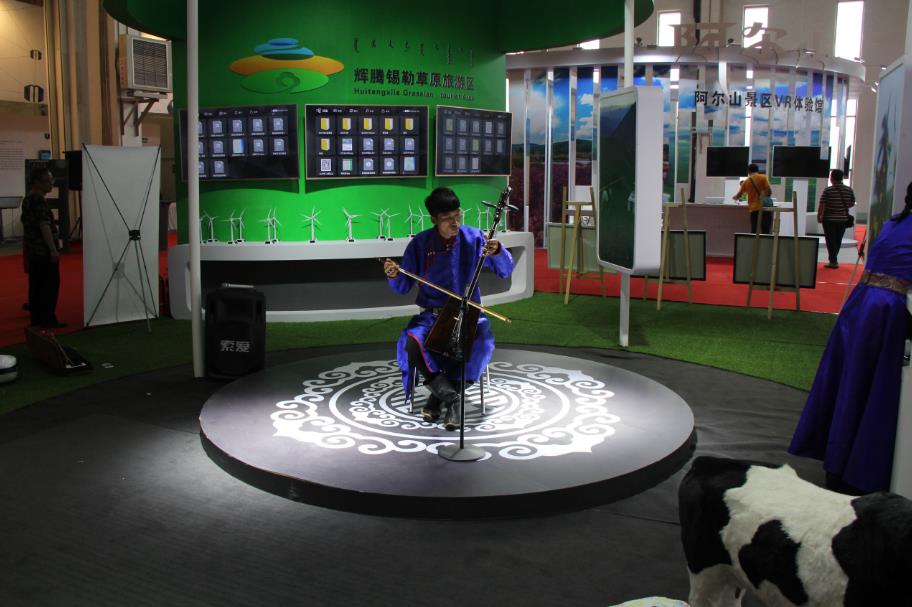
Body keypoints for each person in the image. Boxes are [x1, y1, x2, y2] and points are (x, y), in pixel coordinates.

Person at [789, 181, 912, 494]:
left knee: (851, 383)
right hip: (887, 313)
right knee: (873, 390)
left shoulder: (894, 224)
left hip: (864, 306)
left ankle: (839, 462)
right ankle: (860, 471)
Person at [383, 187, 514, 430]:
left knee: (481, 341)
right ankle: (453, 400)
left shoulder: (475, 238)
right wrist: (393, 274)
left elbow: (504, 270)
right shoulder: (420, 244)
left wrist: (497, 251)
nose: (454, 223)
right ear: (434, 219)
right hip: (431, 317)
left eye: (457, 215)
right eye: (447, 219)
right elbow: (403, 286)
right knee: (413, 343)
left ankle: (437, 398)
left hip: (469, 315)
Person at [21, 167, 65, 329]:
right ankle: (47, 319)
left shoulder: (27, 199)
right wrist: (53, 249)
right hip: (43, 251)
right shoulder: (38, 200)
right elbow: (44, 225)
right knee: (49, 286)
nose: (51, 184)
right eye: (47, 181)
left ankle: (37, 319)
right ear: (37, 182)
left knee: (36, 286)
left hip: (33, 250)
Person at [817, 169, 856, 269]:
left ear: (832, 178)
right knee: (838, 240)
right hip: (842, 219)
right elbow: (852, 203)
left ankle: (833, 261)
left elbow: (822, 204)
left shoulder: (828, 190)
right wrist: (842, 207)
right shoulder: (849, 190)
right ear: (842, 178)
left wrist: (819, 215)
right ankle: (833, 259)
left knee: (830, 240)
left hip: (828, 220)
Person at [732, 163, 772, 234]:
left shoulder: (746, 181)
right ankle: (765, 241)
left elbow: (739, 195)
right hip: (765, 208)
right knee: (766, 232)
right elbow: (769, 191)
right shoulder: (763, 178)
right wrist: (764, 196)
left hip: (754, 209)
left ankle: (754, 241)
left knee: (754, 231)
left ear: (749, 171)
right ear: (757, 170)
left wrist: (734, 197)